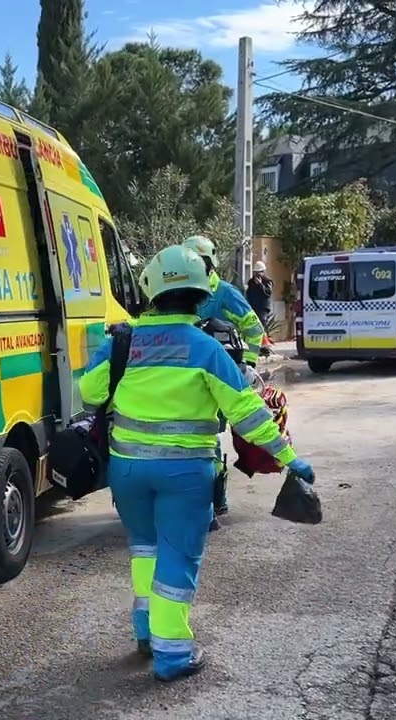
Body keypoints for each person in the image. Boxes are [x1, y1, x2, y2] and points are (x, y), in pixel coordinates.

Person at [78, 243, 315, 681]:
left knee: (145, 548)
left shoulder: (124, 341)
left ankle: (146, 630)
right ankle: (172, 654)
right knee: (177, 556)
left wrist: (107, 356)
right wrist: (289, 458)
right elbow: (248, 413)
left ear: (149, 289)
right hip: (184, 476)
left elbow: (90, 393)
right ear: (201, 295)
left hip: (127, 471)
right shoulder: (206, 349)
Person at [181, 235, 268, 521]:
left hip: (215, 379)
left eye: (198, 262)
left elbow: (254, 329)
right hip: (182, 379)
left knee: (208, 439)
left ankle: (216, 498)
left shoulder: (224, 294)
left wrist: (245, 366)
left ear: (208, 264)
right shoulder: (178, 289)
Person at [246, 260, 274, 326]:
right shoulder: (251, 282)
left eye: (259, 272)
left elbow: (268, 293)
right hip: (253, 307)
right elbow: (249, 293)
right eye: (256, 273)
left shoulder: (267, 281)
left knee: (262, 324)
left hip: (263, 308)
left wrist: (260, 285)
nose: (257, 275)